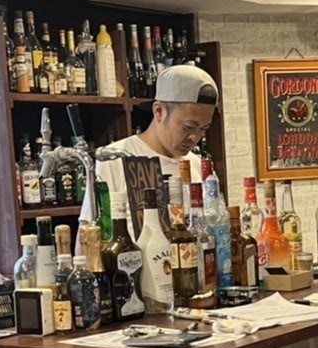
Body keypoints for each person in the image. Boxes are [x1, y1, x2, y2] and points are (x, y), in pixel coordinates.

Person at [82, 63, 219, 230]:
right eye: (188, 127)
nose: (195, 137)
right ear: (159, 111)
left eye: (203, 129)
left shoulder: (197, 165)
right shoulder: (115, 159)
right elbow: (88, 235)